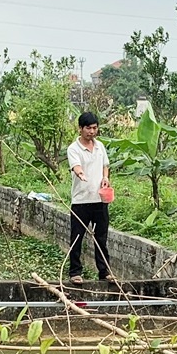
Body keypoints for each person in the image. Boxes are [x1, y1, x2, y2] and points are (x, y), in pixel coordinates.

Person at [66, 111, 115, 285]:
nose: (92, 132)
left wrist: (105, 177)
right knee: (77, 237)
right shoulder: (73, 149)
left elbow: (105, 165)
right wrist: (81, 175)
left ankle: (104, 272)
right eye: (88, 128)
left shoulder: (100, 146)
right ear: (80, 128)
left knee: (101, 237)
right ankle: (75, 272)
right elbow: (76, 167)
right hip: (81, 201)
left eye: (94, 128)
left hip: (100, 200)